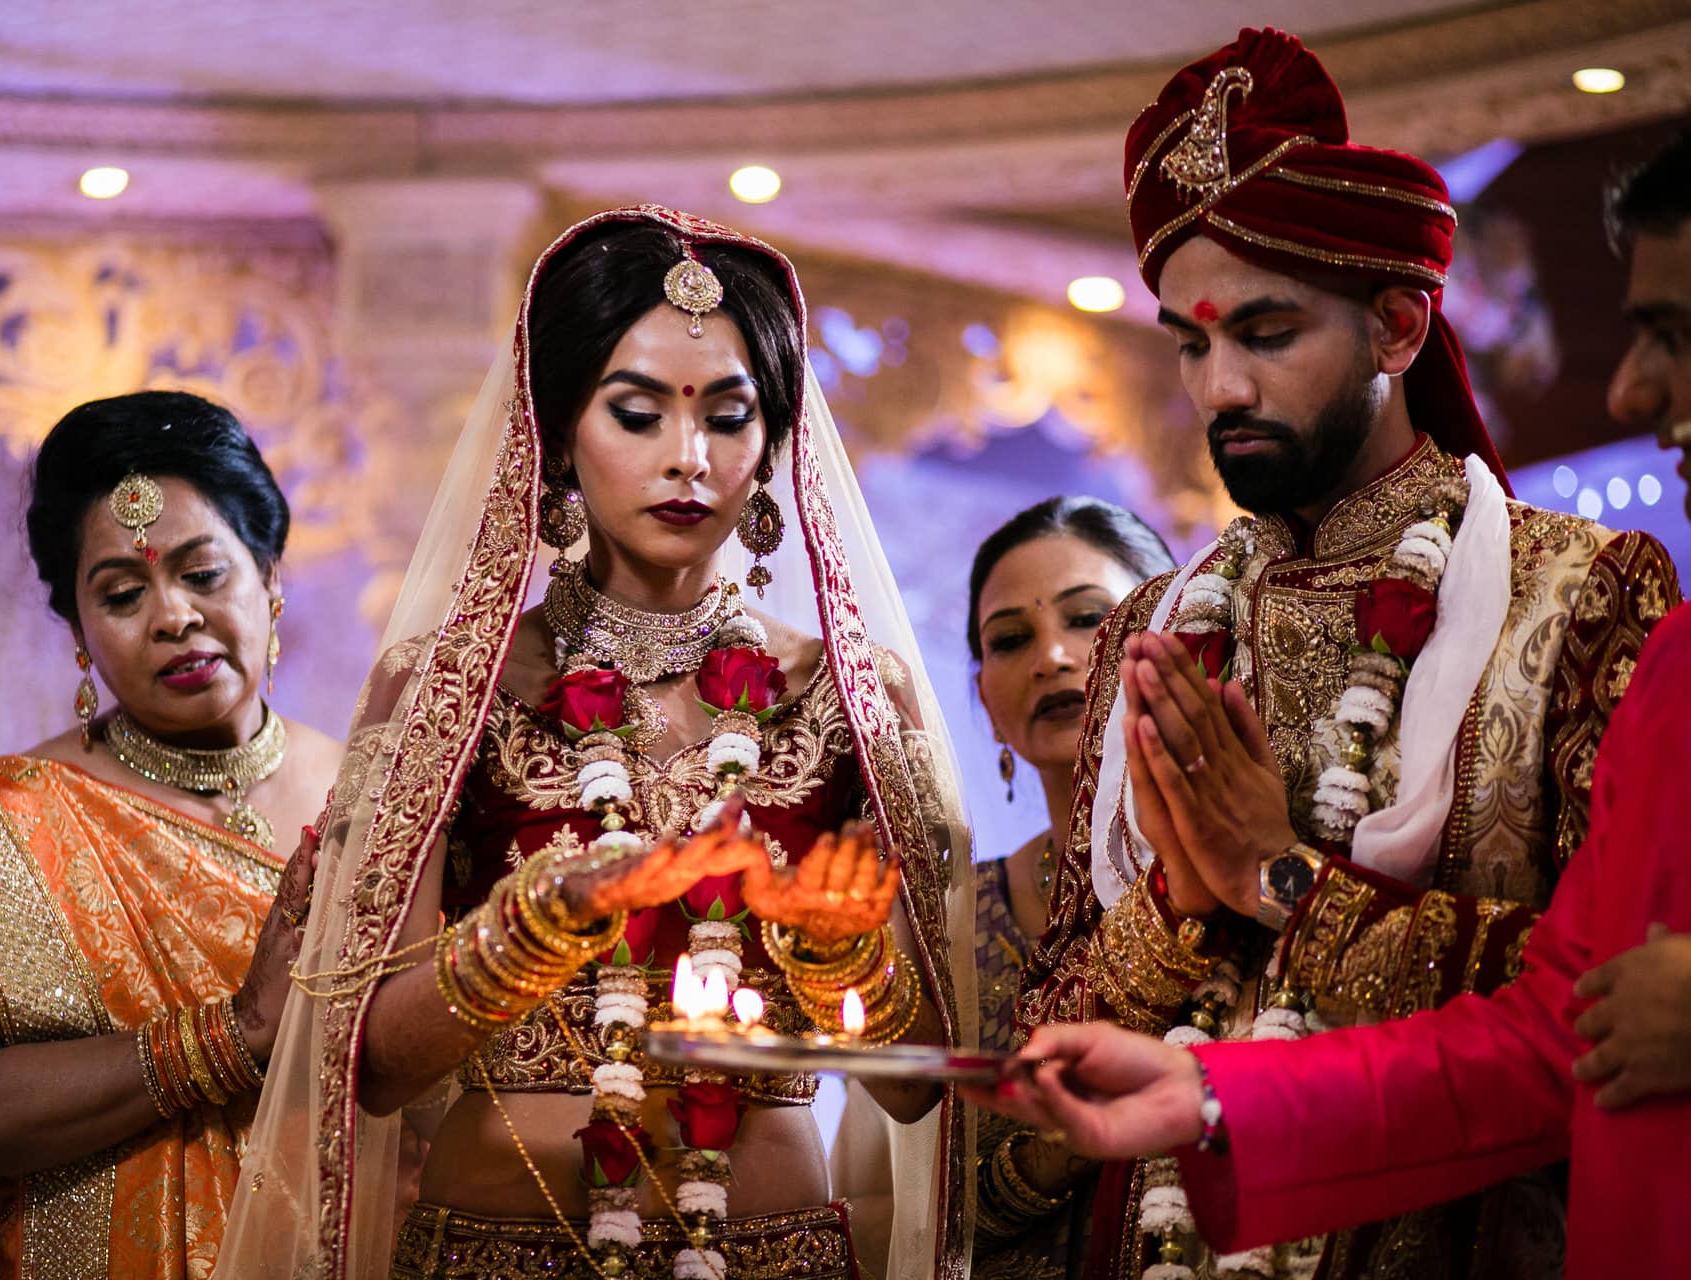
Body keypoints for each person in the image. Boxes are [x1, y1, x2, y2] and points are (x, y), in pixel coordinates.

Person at [1009, 28, 1681, 1280]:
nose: (1218, 387)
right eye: (1191, 342)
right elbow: (1032, 1094)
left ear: (1398, 325)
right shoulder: (1159, 625)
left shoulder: (1586, 598)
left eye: (1264, 333)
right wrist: (1178, 906)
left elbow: (1612, 1017)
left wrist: (1278, 877)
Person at [214, 206, 976, 1280]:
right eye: (637, 413)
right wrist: (540, 922)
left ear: (771, 443)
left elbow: (912, 1084)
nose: (689, 458)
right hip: (501, 1249)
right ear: (559, 430)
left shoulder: (850, 693)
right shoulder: (447, 689)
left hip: (775, 1251)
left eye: (728, 416)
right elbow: (371, 1063)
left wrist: (837, 949)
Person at [0, 391, 345, 1277]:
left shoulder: (373, 795)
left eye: (203, 573)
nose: (172, 615)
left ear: (270, 575)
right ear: (77, 632)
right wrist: (227, 1040)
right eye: (122, 592)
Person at [965, 499, 1174, 1276]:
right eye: (1011, 639)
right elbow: (933, 1207)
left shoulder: (1246, 865)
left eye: (1089, 619)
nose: (1051, 655)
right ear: (986, 703)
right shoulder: (957, 918)